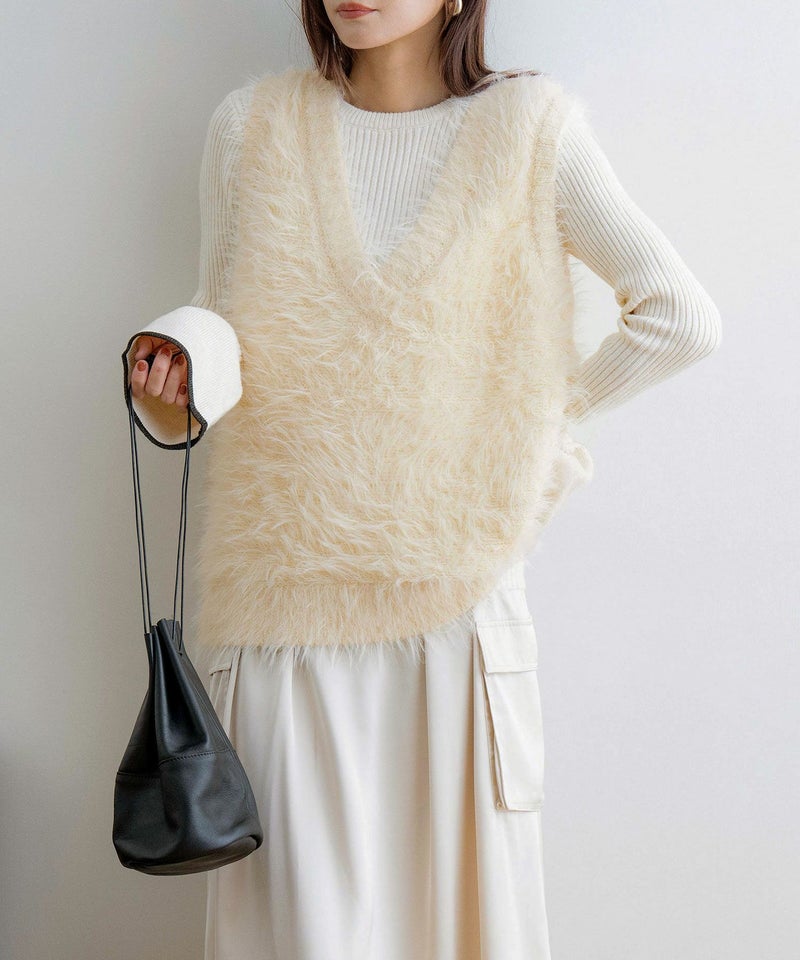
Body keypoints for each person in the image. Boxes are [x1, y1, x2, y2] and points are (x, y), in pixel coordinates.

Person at [124, 1, 721, 957]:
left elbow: (677, 317)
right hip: (285, 621)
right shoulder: (252, 127)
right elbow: (224, 317)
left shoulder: (530, 130)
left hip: (456, 616)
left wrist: (520, 440)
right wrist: (175, 376)